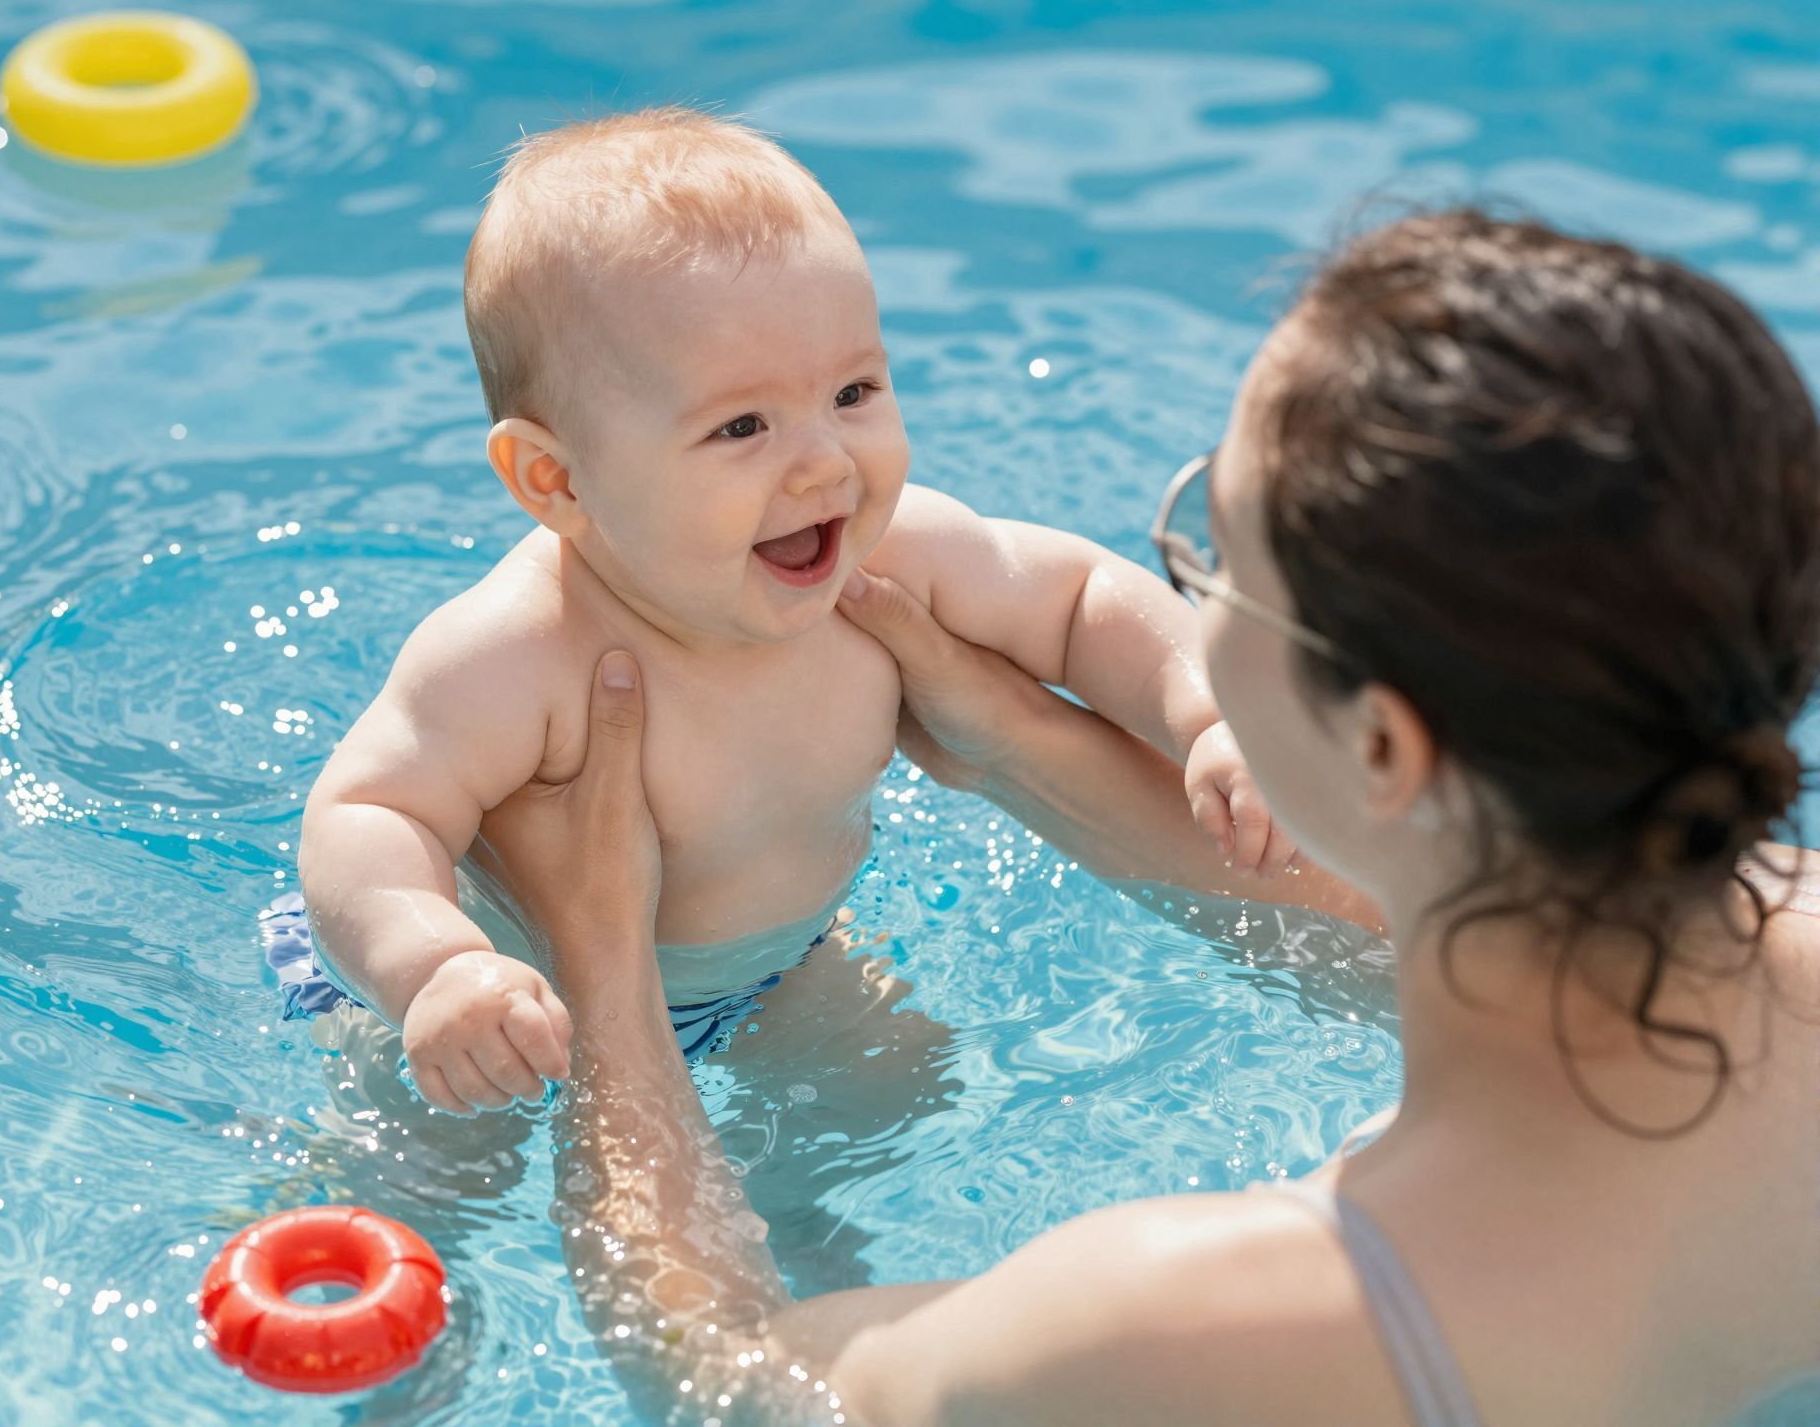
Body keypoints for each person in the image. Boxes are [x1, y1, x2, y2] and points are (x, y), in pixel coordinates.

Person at [483, 211, 1820, 1425]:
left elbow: (727, 1371)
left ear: (1381, 742)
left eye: (1216, 557)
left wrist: (603, 952)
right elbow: (1449, 914)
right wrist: (1022, 742)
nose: (1184, 591)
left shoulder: (1197, 1325)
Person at [282, 107, 1331, 1117]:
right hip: (514, 1005)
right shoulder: (520, 653)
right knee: (429, 1176)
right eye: (740, 426)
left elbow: (1077, 599)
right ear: (555, 481)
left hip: (783, 971)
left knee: (899, 1096)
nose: (823, 463)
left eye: (853, 393)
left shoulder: (894, 558)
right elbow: (369, 813)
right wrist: (433, 970)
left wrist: (1205, 717)